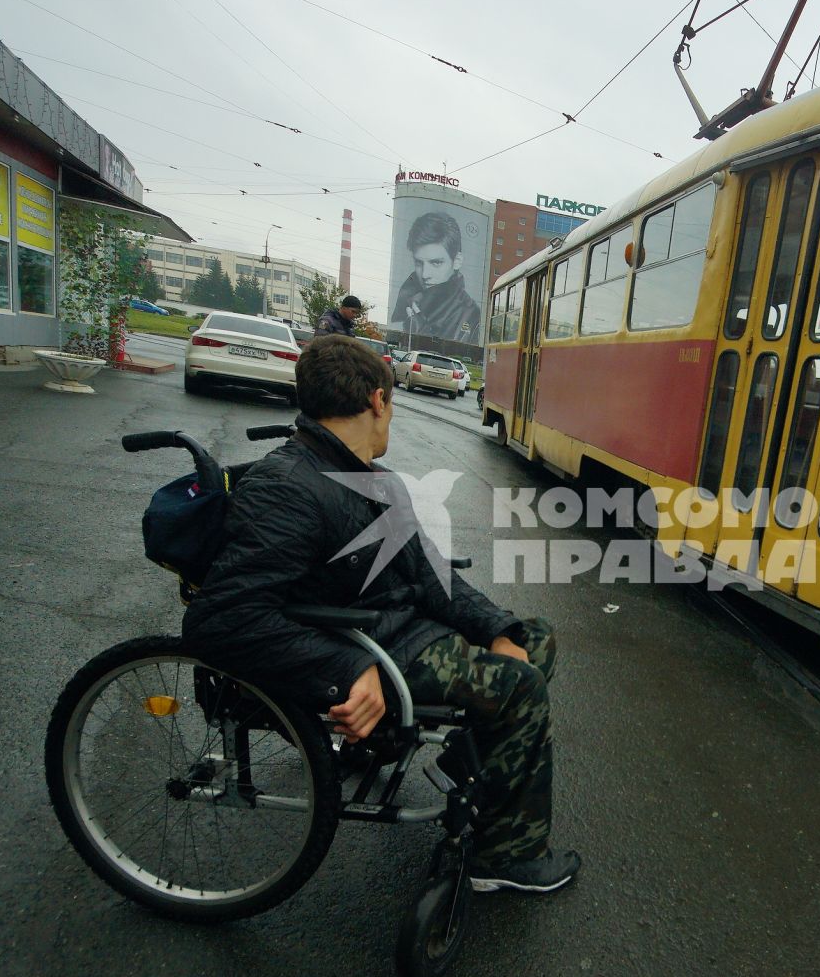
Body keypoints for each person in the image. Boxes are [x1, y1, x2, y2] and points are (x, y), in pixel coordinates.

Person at [181, 334, 580, 894]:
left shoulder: (369, 476)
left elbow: (429, 576)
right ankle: (502, 859)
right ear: (377, 400)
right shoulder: (288, 487)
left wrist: (498, 629)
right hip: (371, 646)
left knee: (536, 639)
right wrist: (345, 667)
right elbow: (220, 621)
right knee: (522, 688)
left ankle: (479, 764)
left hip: (396, 630)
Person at [389, 211, 482, 345]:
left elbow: (450, 355)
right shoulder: (406, 296)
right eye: (419, 263)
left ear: (457, 261)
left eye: (436, 263)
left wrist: (421, 335)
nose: (425, 274)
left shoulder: (468, 313)